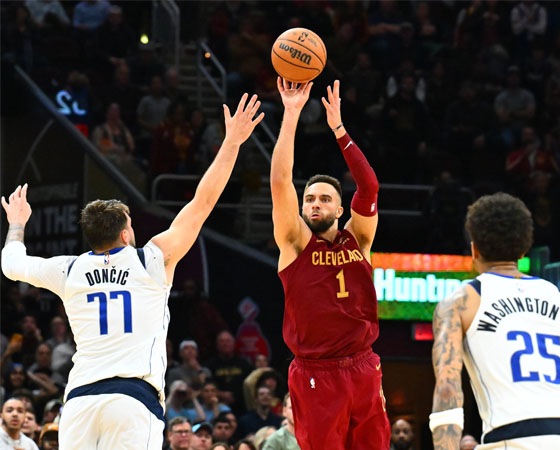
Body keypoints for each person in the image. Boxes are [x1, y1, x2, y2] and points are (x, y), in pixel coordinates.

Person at [1, 93, 264, 450]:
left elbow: (11, 265)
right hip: (131, 398)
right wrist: (232, 142)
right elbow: (202, 203)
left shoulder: (70, 269)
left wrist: (17, 224)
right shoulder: (151, 259)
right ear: (125, 233)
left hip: (78, 403)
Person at [270, 78, 390, 449]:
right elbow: (279, 181)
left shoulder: (359, 238)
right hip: (315, 373)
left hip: (363, 365)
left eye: (324, 199)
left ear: (340, 209)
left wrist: (338, 129)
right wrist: (291, 115)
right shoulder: (293, 243)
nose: (315, 204)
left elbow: (368, 187)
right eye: (309, 200)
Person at [430, 193, 560, 449]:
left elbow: (447, 389)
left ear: (474, 249)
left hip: (515, 432)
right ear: (523, 250)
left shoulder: (460, 301)